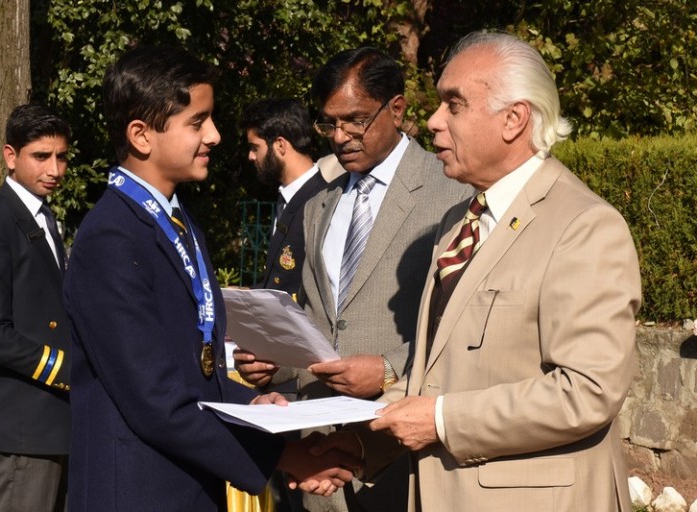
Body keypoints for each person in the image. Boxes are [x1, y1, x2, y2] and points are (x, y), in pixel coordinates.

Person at [314, 31, 642, 511]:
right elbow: (438, 378)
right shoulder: (459, 221)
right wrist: (363, 445)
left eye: (454, 104)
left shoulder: (584, 226)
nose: (433, 121)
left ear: (514, 119)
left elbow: (588, 392)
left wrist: (441, 421)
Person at [63, 45, 357, 512]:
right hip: (139, 491)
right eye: (197, 122)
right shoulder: (111, 239)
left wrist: (247, 404)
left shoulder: (176, 221)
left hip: (188, 483)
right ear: (141, 135)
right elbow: (154, 399)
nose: (215, 136)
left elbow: (193, 370)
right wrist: (284, 456)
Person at [235, 47, 470, 511]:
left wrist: (389, 370)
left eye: (355, 121)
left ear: (396, 110)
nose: (340, 137)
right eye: (329, 123)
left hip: (403, 455)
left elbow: (468, 329)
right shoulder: (318, 204)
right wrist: (275, 362)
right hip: (320, 461)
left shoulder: (452, 193)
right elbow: (317, 324)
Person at [0, 104, 72, 512]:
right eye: (41, 156)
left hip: (56, 424)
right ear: (10, 156)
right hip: (25, 429)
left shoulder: (42, 216)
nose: (54, 169)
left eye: (61, 157)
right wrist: (67, 369)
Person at [241, 98, 328, 296]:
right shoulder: (288, 198)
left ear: (280, 145)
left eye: (255, 147)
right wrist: (245, 293)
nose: (251, 156)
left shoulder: (323, 202)